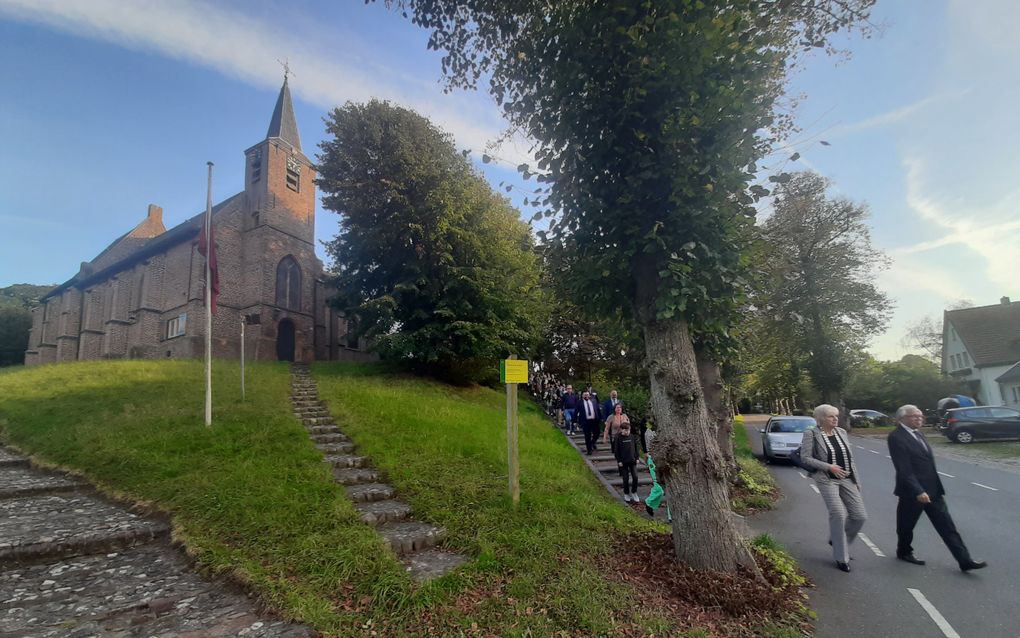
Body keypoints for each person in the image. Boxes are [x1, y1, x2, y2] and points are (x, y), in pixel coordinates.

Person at [887, 404, 987, 572]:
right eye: (914, 416)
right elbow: (903, 469)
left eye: (920, 416)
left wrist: (932, 488)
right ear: (901, 419)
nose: (919, 418)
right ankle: (904, 551)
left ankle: (964, 560)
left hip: (933, 490)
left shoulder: (919, 434)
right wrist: (918, 491)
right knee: (905, 526)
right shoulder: (896, 437)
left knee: (947, 526)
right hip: (913, 492)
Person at [798, 404, 867, 573]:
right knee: (838, 513)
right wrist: (829, 467)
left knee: (859, 516)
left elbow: (849, 459)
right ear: (821, 418)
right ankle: (841, 557)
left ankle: (836, 539)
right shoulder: (811, 434)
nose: (835, 419)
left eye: (836, 416)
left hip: (847, 478)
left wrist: (856, 479)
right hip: (826, 479)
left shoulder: (842, 432)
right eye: (831, 416)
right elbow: (805, 458)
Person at [614, 422, 640, 502]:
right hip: (623, 462)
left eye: (628, 430)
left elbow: (636, 448)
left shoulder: (632, 437)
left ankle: (634, 492)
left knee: (635, 477)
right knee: (626, 479)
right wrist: (619, 461)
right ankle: (626, 493)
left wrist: (637, 458)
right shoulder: (618, 438)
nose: (627, 432)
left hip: (632, 460)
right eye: (625, 430)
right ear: (621, 430)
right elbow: (616, 451)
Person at [576, 390, 602, 455]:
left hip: (594, 420)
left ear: (589, 395)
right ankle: (589, 450)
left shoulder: (594, 401)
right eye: (585, 395)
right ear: (582, 396)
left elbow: (598, 410)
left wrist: (601, 418)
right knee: (587, 436)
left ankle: (592, 443)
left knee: (597, 433)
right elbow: (576, 411)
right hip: (585, 422)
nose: (586, 396)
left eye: (587, 395)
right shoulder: (579, 402)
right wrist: (574, 421)